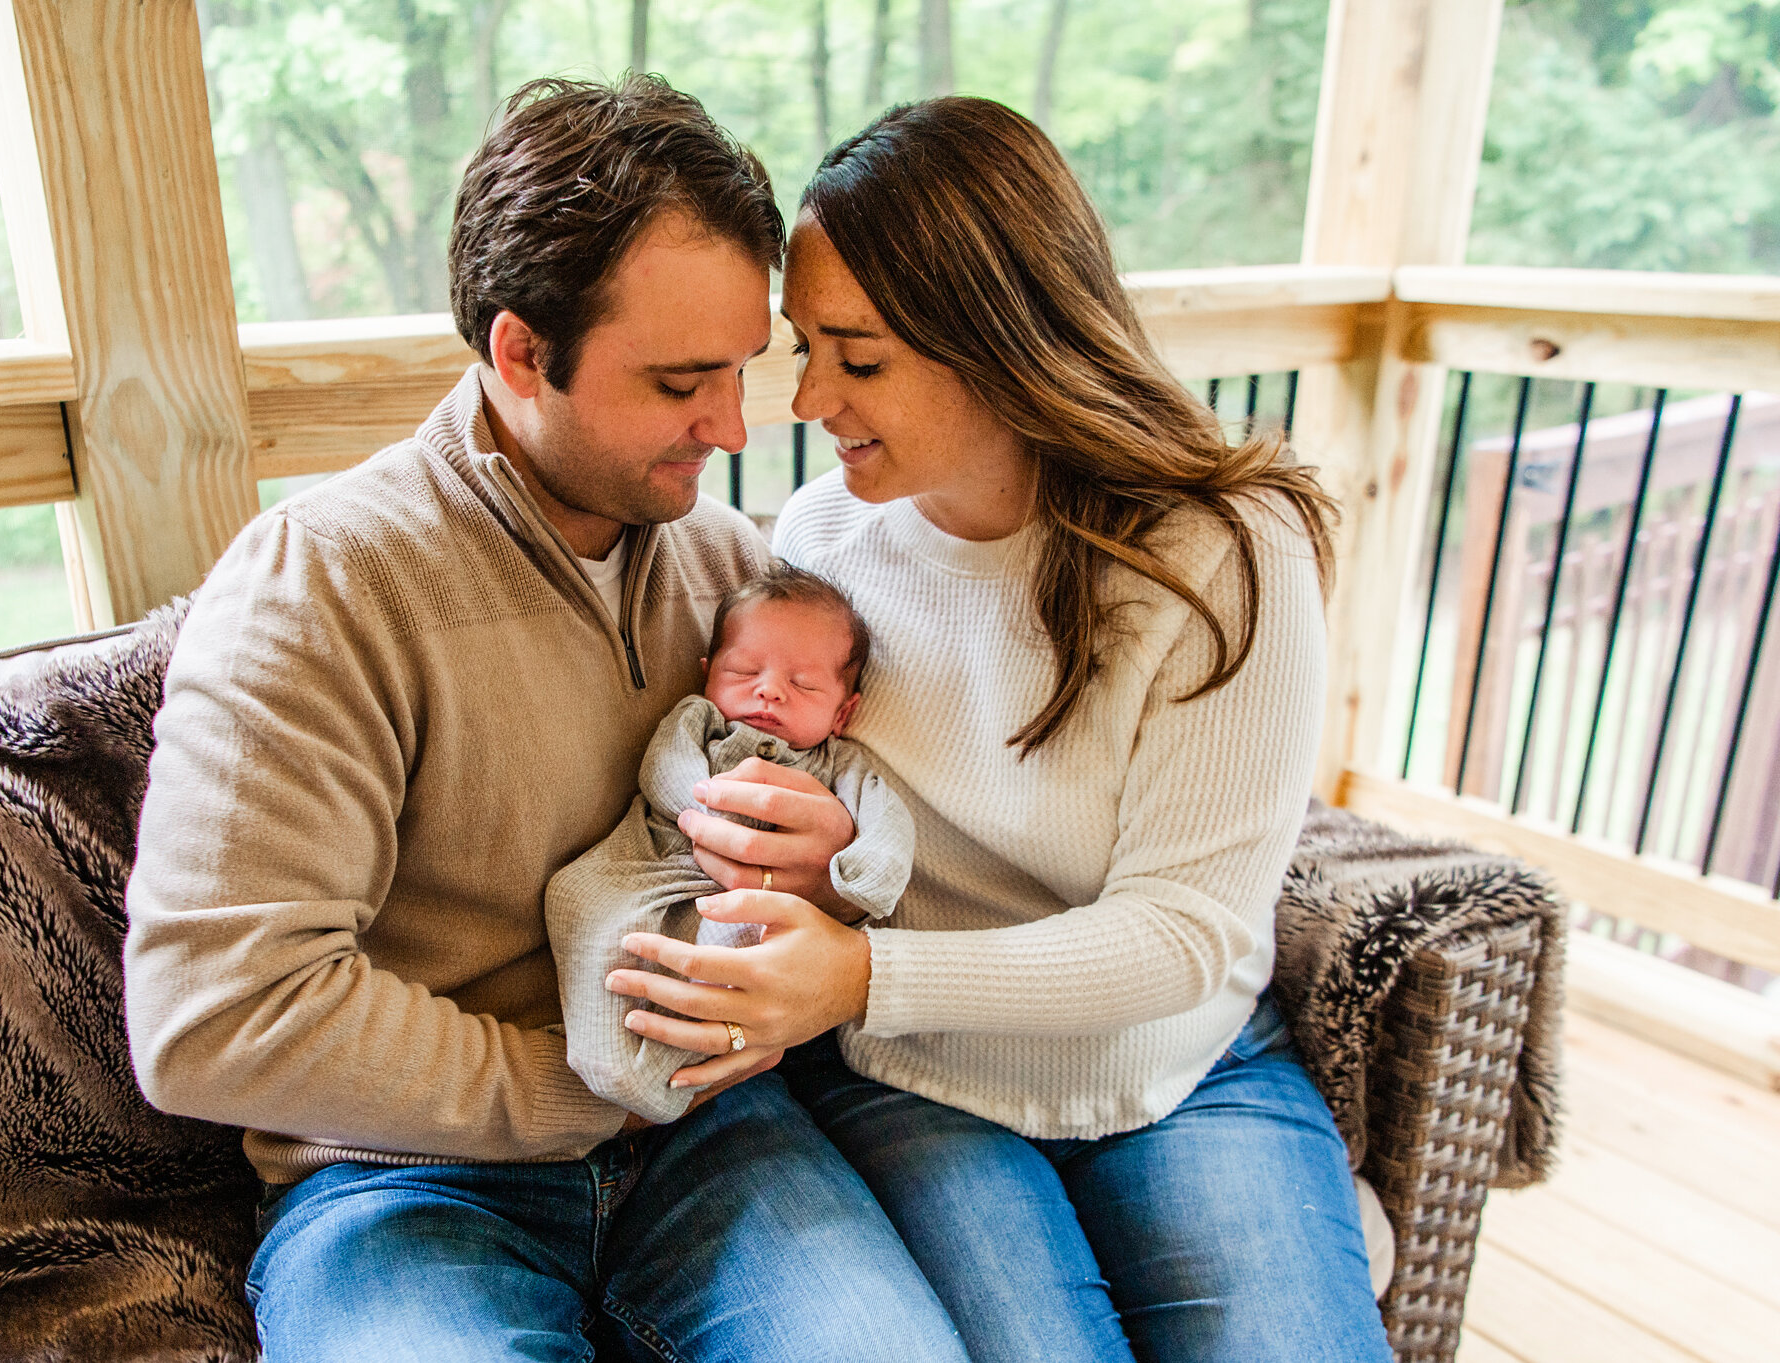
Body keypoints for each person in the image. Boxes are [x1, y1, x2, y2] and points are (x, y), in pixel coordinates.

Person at [121, 76, 965, 1363]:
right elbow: (213, 1015)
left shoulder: (725, 573)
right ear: (520, 353)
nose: (733, 430)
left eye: (741, 371)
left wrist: (826, 885)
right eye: (682, 380)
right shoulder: (323, 585)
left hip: (713, 1141)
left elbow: (853, 871)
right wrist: (589, 1087)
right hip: (406, 1178)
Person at [609, 96, 1393, 1362]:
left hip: (1180, 1066)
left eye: (857, 359)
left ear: (1003, 340)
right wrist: (804, 866)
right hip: (915, 1075)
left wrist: (864, 972)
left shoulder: (1221, 553)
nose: (807, 398)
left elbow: (1186, 932)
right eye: (804, 348)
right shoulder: (821, 543)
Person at [548, 564, 913, 1125]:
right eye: (743, 670)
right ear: (707, 673)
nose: (768, 690)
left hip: (753, 902)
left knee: (739, 948)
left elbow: (886, 819)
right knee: (577, 896)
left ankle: (667, 1070)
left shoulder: (840, 765)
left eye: (804, 684)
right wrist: (703, 805)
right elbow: (665, 769)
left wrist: (868, 875)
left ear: (843, 713)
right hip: (660, 860)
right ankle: (607, 1056)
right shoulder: (700, 721)